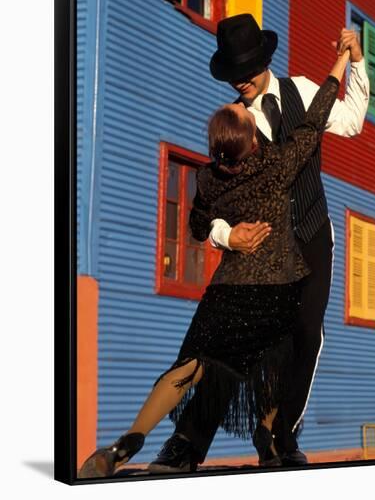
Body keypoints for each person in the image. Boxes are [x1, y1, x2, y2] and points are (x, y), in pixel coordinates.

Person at [77, 48, 350, 479]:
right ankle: (259, 440)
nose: (238, 98)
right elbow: (315, 120)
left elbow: (197, 224)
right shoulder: (277, 167)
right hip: (275, 290)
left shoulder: (208, 178)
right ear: (254, 140)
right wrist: (339, 64)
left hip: (225, 293)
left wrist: (224, 234)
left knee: (192, 365)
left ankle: (129, 439)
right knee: (280, 355)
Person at [148, 14, 370, 473]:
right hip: (259, 251)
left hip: (310, 236)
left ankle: (278, 436)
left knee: (307, 334)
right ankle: (186, 444)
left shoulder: (304, 91)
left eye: (248, 68)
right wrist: (228, 235)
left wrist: (357, 64)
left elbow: (350, 123)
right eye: (233, 72)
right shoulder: (232, 125)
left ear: (265, 60)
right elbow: (208, 209)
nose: (242, 80)